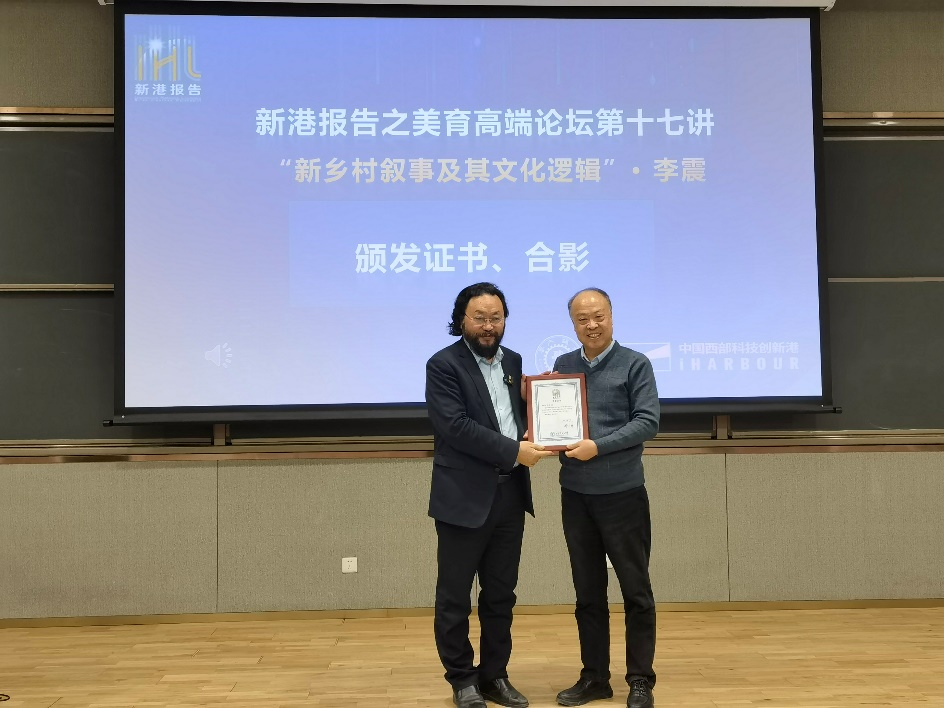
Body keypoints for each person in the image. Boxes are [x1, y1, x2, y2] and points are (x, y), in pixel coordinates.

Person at [426, 282, 554, 708]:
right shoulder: (443, 365)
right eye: (479, 318)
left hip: (509, 495)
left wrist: (542, 407)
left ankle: (494, 675)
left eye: (496, 318)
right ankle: (462, 679)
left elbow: (512, 418)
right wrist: (514, 450)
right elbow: (456, 427)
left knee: (501, 595)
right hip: (463, 498)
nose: (488, 326)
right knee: (455, 597)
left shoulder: (513, 362)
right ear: (461, 319)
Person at [551, 288, 660, 708]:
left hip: (622, 495)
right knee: (587, 592)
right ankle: (595, 677)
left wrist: (597, 446)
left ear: (612, 317)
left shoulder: (635, 363)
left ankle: (640, 679)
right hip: (576, 495)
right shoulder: (564, 365)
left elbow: (647, 422)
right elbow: (555, 421)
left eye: (598, 316)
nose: (591, 325)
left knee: (636, 590)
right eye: (582, 319)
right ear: (573, 323)